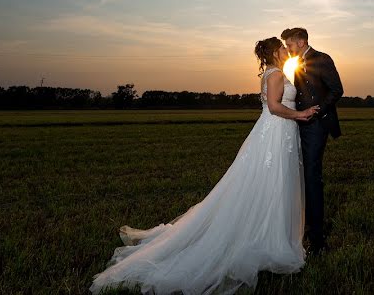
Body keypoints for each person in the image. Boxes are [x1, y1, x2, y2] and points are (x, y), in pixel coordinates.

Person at [89, 37, 320, 295]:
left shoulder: (271, 73)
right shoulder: (276, 74)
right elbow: (276, 107)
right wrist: (300, 114)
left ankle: (269, 230)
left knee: (271, 183)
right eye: (281, 47)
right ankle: (269, 238)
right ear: (275, 52)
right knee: (273, 181)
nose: (285, 51)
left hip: (275, 134)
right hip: (276, 133)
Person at [281, 27, 344, 254]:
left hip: (317, 126)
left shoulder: (322, 59)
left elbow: (337, 90)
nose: (287, 49)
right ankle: (305, 228)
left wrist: (316, 111)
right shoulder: (297, 62)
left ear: (300, 41)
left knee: (311, 177)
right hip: (299, 124)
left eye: (289, 45)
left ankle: (317, 238)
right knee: (302, 176)